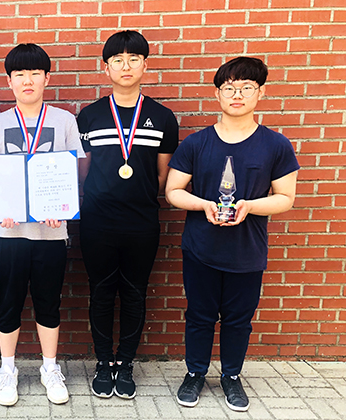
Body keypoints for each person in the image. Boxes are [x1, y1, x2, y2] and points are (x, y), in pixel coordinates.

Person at [166, 57, 299, 412]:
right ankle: (195, 373)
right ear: (218, 94)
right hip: (201, 248)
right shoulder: (196, 143)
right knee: (199, 315)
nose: (237, 95)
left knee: (239, 319)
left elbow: (285, 198)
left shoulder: (276, 145)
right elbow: (173, 191)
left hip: (247, 251)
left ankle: (231, 375)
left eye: (246, 88)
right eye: (229, 88)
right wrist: (203, 205)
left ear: (261, 93)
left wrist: (250, 206)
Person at [0, 43, 85, 406]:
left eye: (35, 73)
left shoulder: (64, 120)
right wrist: (0, 208)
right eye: (19, 74)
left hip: (50, 232)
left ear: (47, 78)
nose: (27, 81)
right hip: (7, 231)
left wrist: (62, 206)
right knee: (8, 302)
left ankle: (49, 368)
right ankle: (8, 369)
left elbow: (74, 172)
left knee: (48, 302)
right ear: (9, 81)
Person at [77, 30, 179, 399]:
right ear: (106, 68)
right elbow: (83, 172)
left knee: (135, 293)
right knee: (101, 292)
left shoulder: (162, 117)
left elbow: (162, 175)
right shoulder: (89, 116)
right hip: (97, 222)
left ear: (144, 65)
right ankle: (104, 362)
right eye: (117, 60)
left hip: (141, 222)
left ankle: (126, 363)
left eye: (133, 59)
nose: (126, 66)